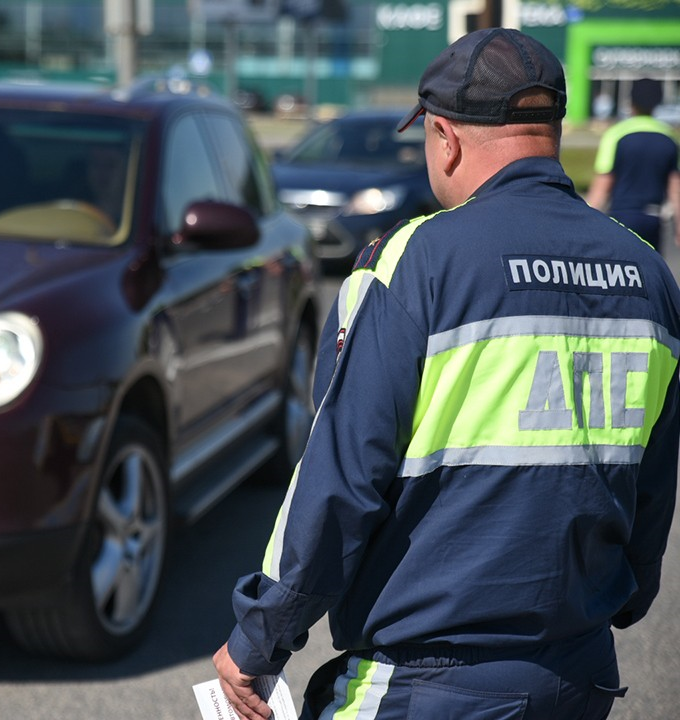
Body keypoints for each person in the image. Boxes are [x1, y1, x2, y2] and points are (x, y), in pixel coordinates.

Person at [213, 27, 680, 720]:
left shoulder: (415, 263)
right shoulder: (648, 274)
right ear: (551, 129)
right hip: (577, 677)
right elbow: (652, 478)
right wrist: (628, 592)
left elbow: (340, 474)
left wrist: (260, 636)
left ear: (445, 137)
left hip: (426, 684)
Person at [586, 78, 680, 252]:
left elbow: (602, 186)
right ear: (658, 102)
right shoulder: (669, 137)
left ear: (631, 102)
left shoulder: (616, 134)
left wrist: (586, 225)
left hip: (622, 216)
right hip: (654, 218)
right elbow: (675, 188)